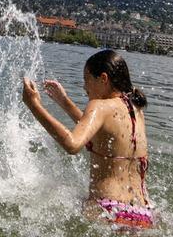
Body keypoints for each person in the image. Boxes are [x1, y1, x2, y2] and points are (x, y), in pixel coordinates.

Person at [21, 49, 154, 229]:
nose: (85, 87)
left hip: (108, 210)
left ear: (103, 79)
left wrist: (34, 105)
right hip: (143, 214)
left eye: (87, 80)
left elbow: (72, 144)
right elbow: (100, 132)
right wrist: (64, 102)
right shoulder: (135, 108)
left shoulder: (99, 106)